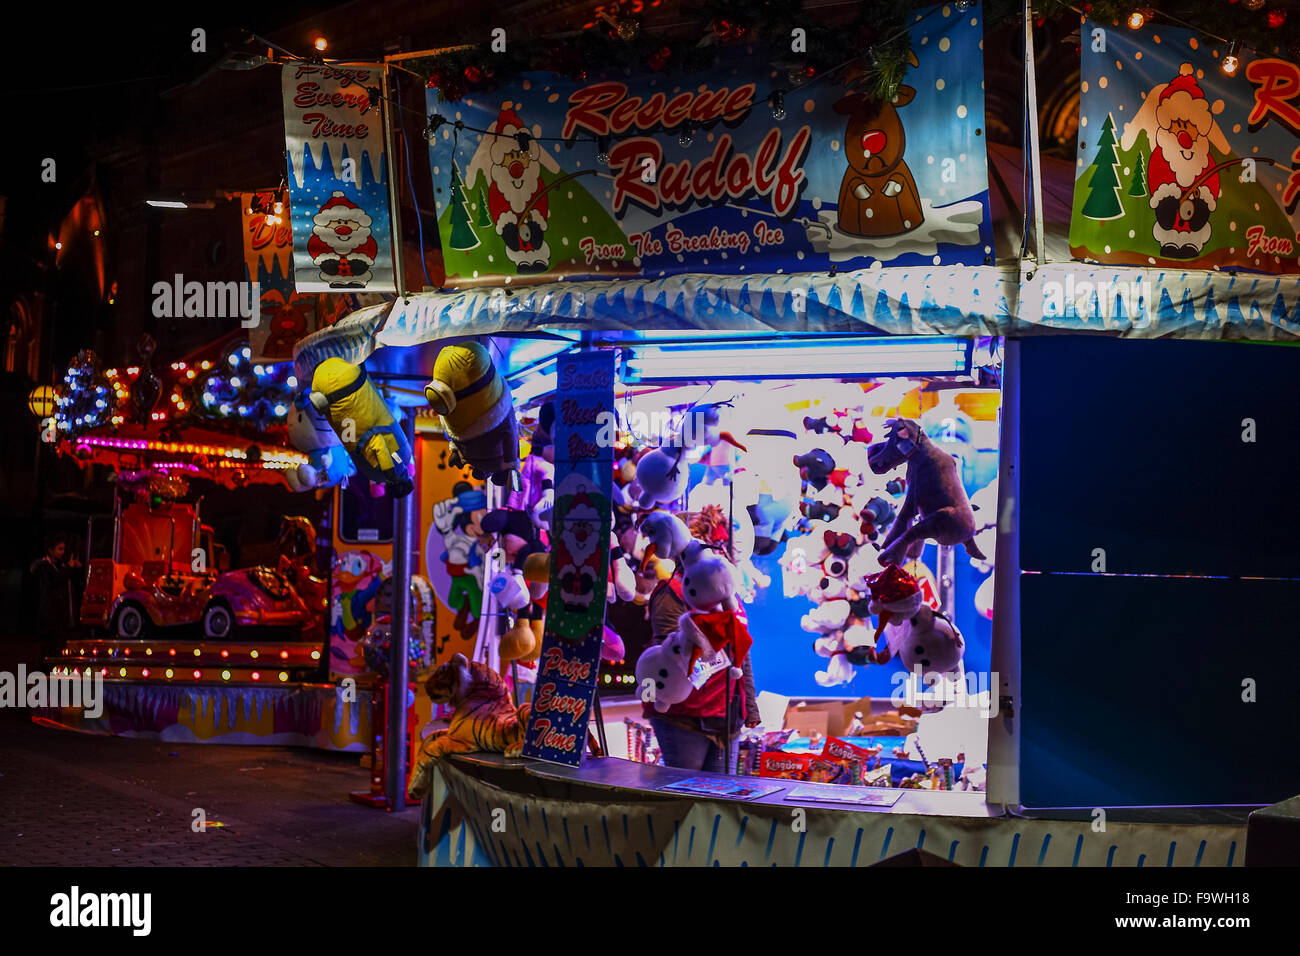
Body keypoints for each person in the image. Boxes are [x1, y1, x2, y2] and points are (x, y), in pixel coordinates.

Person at [643, 530, 760, 774]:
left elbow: (742, 650)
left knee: (721, 794)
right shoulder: (671, 591)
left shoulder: (731, 597)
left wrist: (750, 705)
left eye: (720, 548)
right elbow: (668, 648)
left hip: (727, 715)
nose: (718, 553)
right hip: (684, 715)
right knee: (687, 791)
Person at [31, 535, 81, 658]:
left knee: (59, 648)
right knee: (48, 649)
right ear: (50, 550)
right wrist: (69, 568)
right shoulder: (44, 566)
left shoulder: (60, 565)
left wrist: (75, 568)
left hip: (60, 616)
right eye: (59, 549)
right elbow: (53, 582)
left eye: (63, 549)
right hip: (49, 616)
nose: (62, 552)